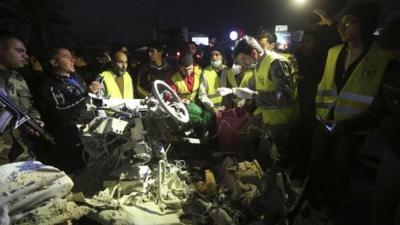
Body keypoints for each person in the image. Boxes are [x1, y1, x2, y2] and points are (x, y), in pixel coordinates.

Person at [308, 2, 393, 213]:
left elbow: (380, 102)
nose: (341, 28)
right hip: (325, 121)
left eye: (348, 23)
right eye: (340, 24)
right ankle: (310, 199)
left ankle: (332, 206)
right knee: (316, 162)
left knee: (341, 169)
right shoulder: (334, 52)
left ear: (364, 25)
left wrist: (349, 124)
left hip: (353, 128)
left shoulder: (382, 57)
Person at [233, 35, 299, 169]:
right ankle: (251, 170)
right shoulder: (258, 64)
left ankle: (274, 183)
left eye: (244, 59)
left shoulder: (276, 63)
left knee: (268, 159)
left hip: (282, 120)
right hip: (268, 115)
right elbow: (256, 86)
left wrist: (252, 95)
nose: (243, 63)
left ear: (253, 53)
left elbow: (284, 95)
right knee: (243, 137)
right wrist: (234, 91)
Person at [41, 47, 95, 173]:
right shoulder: (50, 85)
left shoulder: (76, 78)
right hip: (70, 139)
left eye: (72, 56)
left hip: (86, 135)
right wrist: (86, 95)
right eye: (66, 57)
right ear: (54, 62)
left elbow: (84, 102)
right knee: (76, 172)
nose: (72, 59)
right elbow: (61, 111)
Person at [0, 34, 43, 164]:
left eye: (25, 52)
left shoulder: (18, 78)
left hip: (21, 152)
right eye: (19, 51)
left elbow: (28, 106)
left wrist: (35, 121)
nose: (25, 56)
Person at [198, 46, 228, 111]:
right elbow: (202, 94)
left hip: (227, 110)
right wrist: (212, 108)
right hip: (211, 110)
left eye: (217, 55)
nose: (214, 58)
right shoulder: (205, 72)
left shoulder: (228, 71)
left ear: (222, 57)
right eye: (212, 55)